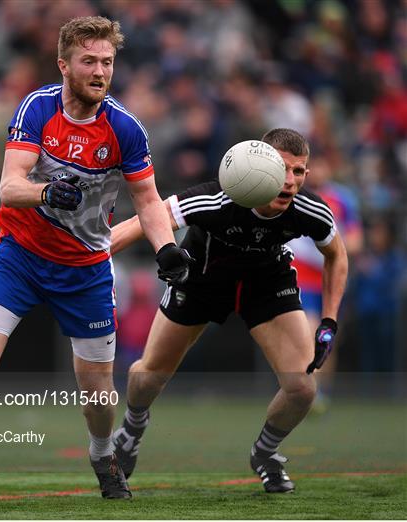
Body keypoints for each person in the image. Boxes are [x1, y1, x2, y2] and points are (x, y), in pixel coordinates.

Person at [0, 16, 191, 500]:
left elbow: (148, 202)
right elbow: (9, 186)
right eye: (89, 61)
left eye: (107, 62)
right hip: (19, 256)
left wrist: (167, 249)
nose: (100, 71)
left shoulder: (125, 128)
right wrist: (46, 193)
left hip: (84, 270)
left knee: (98, 396)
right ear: (64, 64)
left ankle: (103, 457)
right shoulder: (38, 108)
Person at [110, 128, 348, 493]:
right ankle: (132, 428)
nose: (290, 181)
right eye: (283, 169)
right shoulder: (217, 198)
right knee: (147, 377)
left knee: (302, 388)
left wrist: (329, 319)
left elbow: (337, 255)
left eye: (299, 171)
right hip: (202, 280)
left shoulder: (309, 209)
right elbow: (147, 218)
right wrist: (87, 257)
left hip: (266, 283)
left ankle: (266, 453)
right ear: (260, 164)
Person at [289, 154, 362, 412]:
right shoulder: (291, 196)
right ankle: (306, 391)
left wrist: (333, 247)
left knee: (326, 338)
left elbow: (355, 240)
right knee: (307, 331)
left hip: (330, 279)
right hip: (302, 279)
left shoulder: (342, 199)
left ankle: (321, 392)